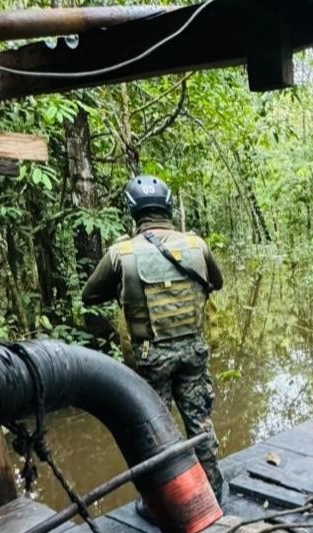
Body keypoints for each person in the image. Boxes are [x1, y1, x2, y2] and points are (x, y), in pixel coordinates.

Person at [82, 176, 226, 506]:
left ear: (134, 213)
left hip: (150, 358)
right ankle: (214, 492)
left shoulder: (122, 253)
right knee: (200, 423)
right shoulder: (196, 245)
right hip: (193, 351)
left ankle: (163, 505)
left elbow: (90, 295)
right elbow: (215, 282)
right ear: (168, 207)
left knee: (155, 433)